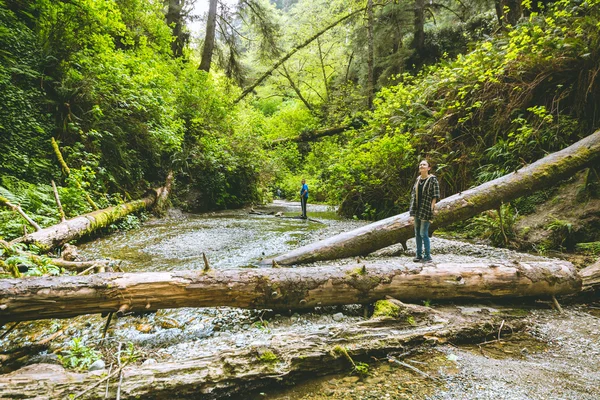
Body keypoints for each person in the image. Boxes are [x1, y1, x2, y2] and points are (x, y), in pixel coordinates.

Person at [409, 159, 440, 262]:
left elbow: (435, 195)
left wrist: (432, 208)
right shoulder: (418, 180)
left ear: (429, 168)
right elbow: (413, 195)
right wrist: (412, 212)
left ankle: (427, 256)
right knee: (417, 233)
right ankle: (418, 255)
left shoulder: (432, 179)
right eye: (420, 164)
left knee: (423, 233)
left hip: (426, 209)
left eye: (424, 164)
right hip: (417, 209)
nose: (421, 166)